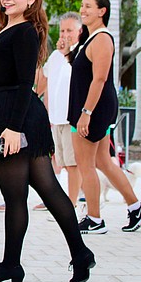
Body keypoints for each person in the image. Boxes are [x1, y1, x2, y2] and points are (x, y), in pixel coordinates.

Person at [0, 0, 94, 282]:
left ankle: (14, 264)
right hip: (11, 112)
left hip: (16, 116)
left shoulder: (25, 31)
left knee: (22, 195)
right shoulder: (9, 24)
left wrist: (11, 128)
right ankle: (78, 254)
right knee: (43, 190)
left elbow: (26, 81)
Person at [69, 0, 141, 235]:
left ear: (102, 11)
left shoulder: (103, 38)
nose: (83, 10)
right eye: (82, 5)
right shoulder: (90, 38)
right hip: (89, 108)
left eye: (88, 6)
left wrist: (86, 112)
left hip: (92, 109)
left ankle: (94, 218)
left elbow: (100, 79)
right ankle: (136, 206)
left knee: (86, 165)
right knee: (102, 161)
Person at [40, 13, 82, 206]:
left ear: (79, 31)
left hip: (71, 118)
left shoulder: (81, 53)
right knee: (62, 162)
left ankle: (72, 203)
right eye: (63, 30)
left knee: (74, 164)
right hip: (56, 117)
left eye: (70, 30)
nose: (65, 34)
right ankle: (66, 200)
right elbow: (45, 82)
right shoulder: (56, 56)